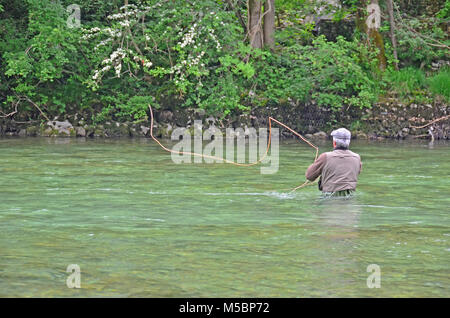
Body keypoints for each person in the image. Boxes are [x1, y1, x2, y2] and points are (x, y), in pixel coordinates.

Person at [305, 128, 362, 197]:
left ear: (334, 143)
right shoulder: (357, 157)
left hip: (329, 197)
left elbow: (309, 176)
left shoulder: (325, 156)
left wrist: (316, 163)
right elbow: (357, 172)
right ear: (348, 142)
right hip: (351, 195)